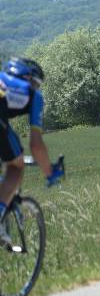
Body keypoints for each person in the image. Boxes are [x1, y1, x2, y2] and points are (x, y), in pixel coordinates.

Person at [0, 58, 63, 239]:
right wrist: (49, 172)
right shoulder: (33, 95)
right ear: (27, 77)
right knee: (15, 166)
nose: (36, 88)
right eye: (36, 83)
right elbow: (36, 145)